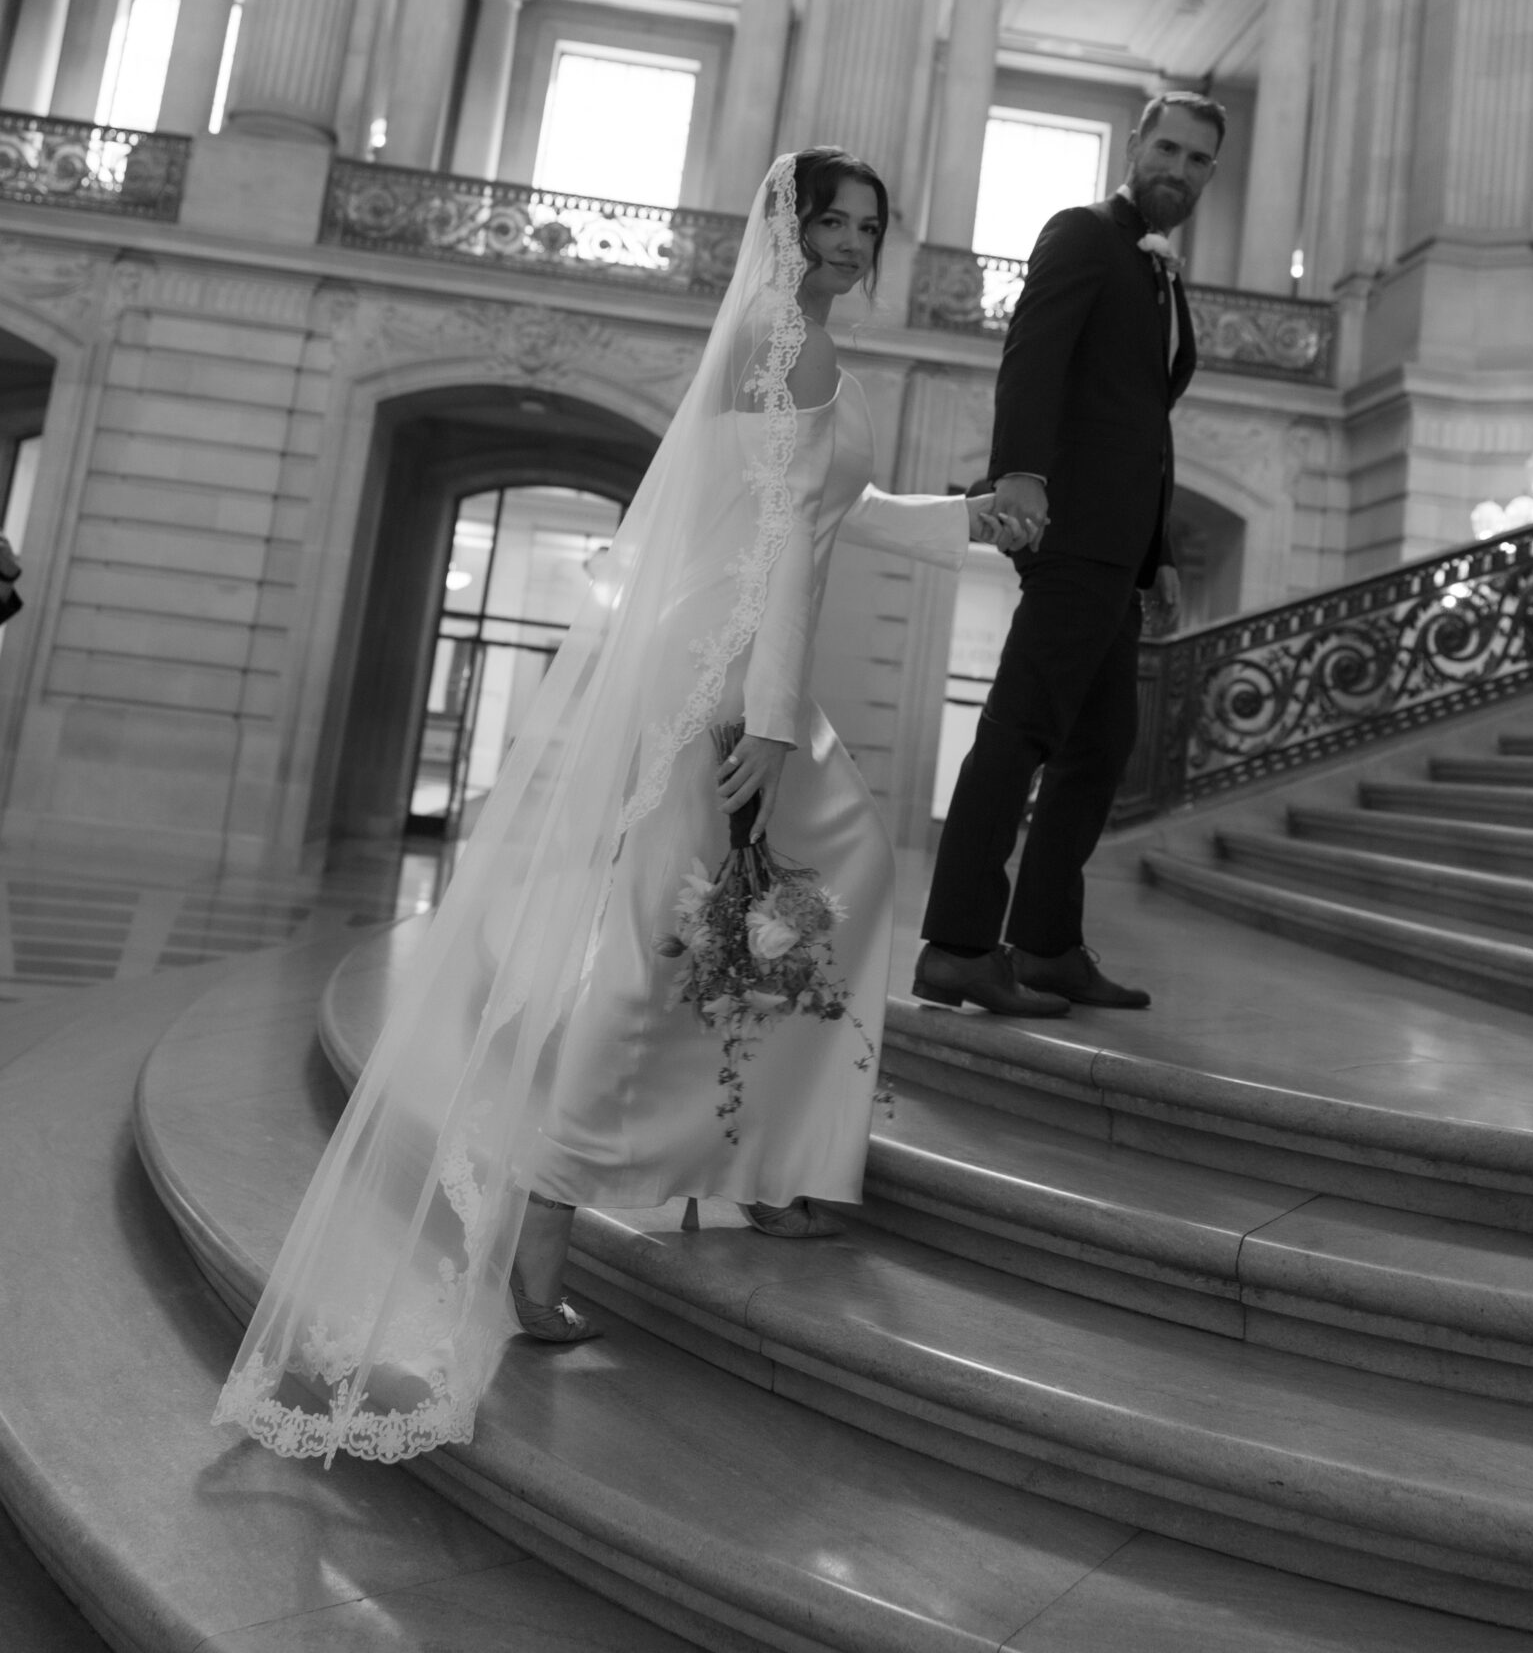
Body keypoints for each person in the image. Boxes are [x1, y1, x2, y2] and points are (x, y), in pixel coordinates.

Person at [215, 149, 1003, 1465]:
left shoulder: (802, 348)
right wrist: (751, 724)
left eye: (871, 224)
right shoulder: (780, 335)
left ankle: (757, 1162)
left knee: (790, 908)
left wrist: (969, 519)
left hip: (745, 674)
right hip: (727, 679)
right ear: (790, 228)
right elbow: (763, 547)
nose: (855, 242)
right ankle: (556, 1210)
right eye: (834, 221)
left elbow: (832, 509)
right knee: (676, 949)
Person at [915, 91, 1225, 1017]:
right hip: (1071, 531)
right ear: (1134, 145)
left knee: (1098, 747)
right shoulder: (1082, 234)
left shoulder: (1160, 276)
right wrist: (1019, 475)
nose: (1178, 168)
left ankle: (1046, 944)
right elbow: (1033, 358)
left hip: (1118, 545)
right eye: (1166, 147)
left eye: (1198, 159)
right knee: (1025, 729)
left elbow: (1146, 431)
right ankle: (959, 944)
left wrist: (1157, 553)